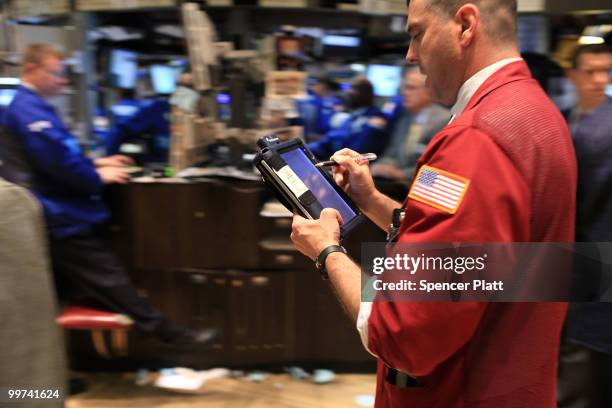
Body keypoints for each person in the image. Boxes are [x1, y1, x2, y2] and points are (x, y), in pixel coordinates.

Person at [290, 1, 576, 406]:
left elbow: (404, 334)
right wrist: (369, 198)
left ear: (465, 25)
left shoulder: (475, 140)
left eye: (417, 33)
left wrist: (327, 251)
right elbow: (481, 259)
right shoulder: (536, 113)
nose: (410, 54)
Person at [2, 44, 213, 346]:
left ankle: (62, 366)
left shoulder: (35, 106)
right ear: (31, 69)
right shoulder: (28, 109)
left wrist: (94, 163)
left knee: (54, 296)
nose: (63, 81)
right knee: (109, 281)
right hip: (58, 217)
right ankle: (169, 334)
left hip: (53, 214)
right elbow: (58, 162)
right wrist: (95, 175)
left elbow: (58, 154)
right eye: (57, 73)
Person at [558, 43, 612, 408]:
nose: (600, 80)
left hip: (593, 264)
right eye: (591, 71)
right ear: (572, 75)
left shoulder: (602, 131)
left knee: (582, 380)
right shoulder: (560, 118)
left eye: (606, 71)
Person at [371, 67, 450, 181]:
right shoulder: (405, 118)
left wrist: (402, 174)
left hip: (421, 188)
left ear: (429, 91)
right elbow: (392, 153)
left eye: (410, 88)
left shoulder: (445, 121)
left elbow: (440, 169)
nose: (404, 93)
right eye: (404, 88)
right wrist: (382, 166)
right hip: (396, 184)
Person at [307, 77, 389, 160]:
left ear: (365, 94)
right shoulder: (353, 115)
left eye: (354, 89)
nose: (349, 92)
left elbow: (359, 149)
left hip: (344, 160)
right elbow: (331, 138)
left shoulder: (376, 119)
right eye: (350, 88)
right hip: (327, 151)